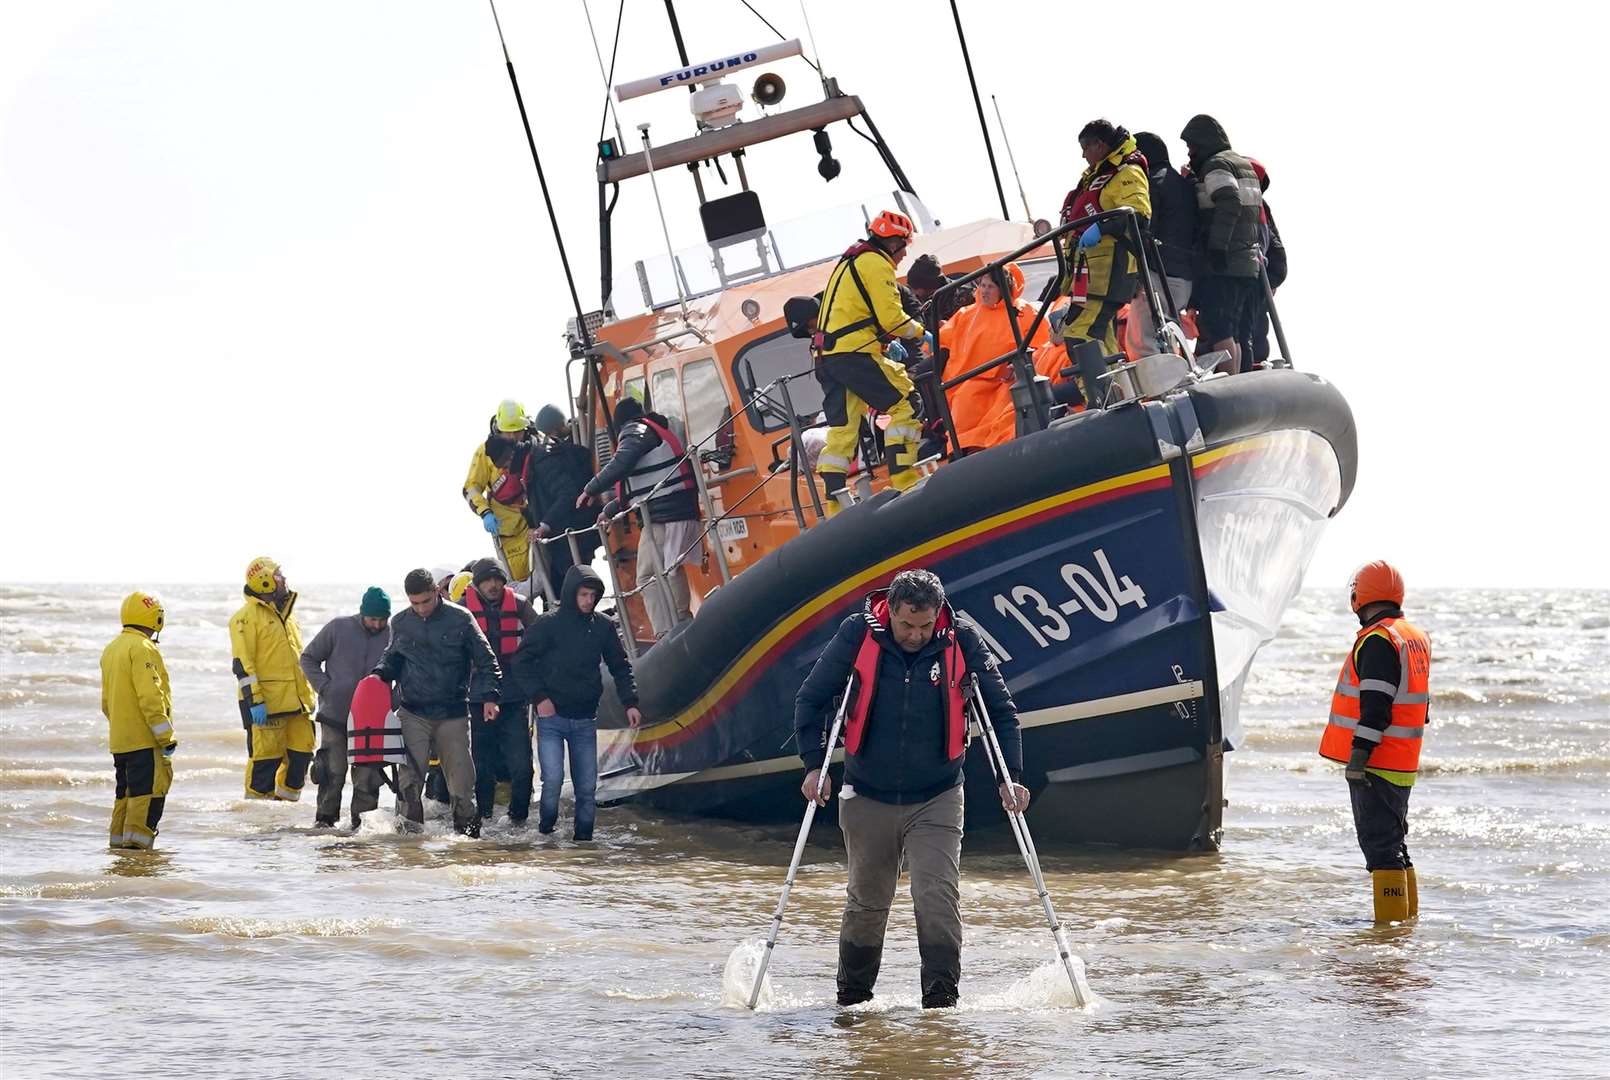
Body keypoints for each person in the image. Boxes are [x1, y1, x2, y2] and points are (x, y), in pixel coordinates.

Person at [793, 568, 1025, 1009]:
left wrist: (1010, 776)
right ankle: (853, 1003)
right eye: (907, 625)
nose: (916, 635)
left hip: (937, 795)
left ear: (938, 614)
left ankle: (941, 1009)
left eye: (925, 625)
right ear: (891, 612)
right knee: (867, 904)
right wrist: (812, 767)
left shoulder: (962, 638)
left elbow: (1002, 712)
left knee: (935, 896)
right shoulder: (857, 634)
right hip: (867, 792)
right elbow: (810, 699)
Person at [1318, 560, 1432, 924]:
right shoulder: (1412, 636)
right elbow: (1419, 705)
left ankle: (1389, 935)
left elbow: (1376, 708)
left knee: (1381, 850)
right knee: (1395, 844)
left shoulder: (1378, 640)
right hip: (1402, 761)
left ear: (1359, 596)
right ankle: (1405, 925)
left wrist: (1358, 757)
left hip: (1378, 763)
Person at [509, 566, 641, 840]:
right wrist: (540, 697)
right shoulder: (548, 624)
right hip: (551, 718)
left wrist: (630, 702)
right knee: (553, 781)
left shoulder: (603, 626)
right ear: (571, 593)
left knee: (586, 787)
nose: (589, 601)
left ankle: (584, 846)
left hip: (584, 718)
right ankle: (545, 834)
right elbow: (521, 662)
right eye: (583, 594)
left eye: (593, 595)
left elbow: (620, 666)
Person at [372, 567, 502, 837]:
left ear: (435, 592)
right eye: (414, 603)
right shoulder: (401, 623)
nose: (420, 608)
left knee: (462, 787)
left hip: (452, 714)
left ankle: (467, 845)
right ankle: (410, 849)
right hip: (413, 713)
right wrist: (377, 676)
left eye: (425, 601)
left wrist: (490, 696)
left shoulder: (461, 619)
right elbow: (392, 658)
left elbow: (487, 660)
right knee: (408, 785)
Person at [811, 210, 927, 511]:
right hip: (853, 352)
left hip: (827, 356)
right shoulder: (876, 263)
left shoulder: (850, 261)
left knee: (843, 428)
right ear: (893, 244)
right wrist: (921, 333)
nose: (903, 255)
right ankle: (904, 478)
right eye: (904, 247)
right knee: (906, 400)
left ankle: (835, 503)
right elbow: (891, 318)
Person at [577, 395, 699, 638]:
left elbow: (623, 461)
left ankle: (669, 631)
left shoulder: (636, 430)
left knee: (649, 574)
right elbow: (636, 486)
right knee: (669, 569)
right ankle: (680, 622)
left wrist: (591, 488)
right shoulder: (654, 431)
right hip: (674, 509)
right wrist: (610, 510)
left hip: (665, 515)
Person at [1056, 120, 1152, 360]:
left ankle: (1100, 396)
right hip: (1090, 273)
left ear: (1099, 145)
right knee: (1102, 336)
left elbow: (1138, 214)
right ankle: (1118, 391)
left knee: (1081, 336)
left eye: (1085, 147)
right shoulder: (1096, 176)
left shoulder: (1126, 172)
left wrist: (1101, 227)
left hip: (1111, 270)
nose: (1082, 154)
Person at [300, 586, 393, 828]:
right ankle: (324, 824)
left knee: (368, 779)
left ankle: (360, 829)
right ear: (363, 613)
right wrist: (324, 687)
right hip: (335, 715)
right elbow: (307, 658)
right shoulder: (338, 628)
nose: (377, 624)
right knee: (332, 773)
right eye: (373, 619)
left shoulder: (393, 635)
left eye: (383, 619)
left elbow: (406, 673)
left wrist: (394, 701)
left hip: (373, 721)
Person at [1180, 114, 1263, 374]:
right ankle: (1239, 380)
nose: (1190, 153)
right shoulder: (1241, 164)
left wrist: (1217, 247)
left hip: (1225, 262)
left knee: (1219, 327)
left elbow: (1228, 200)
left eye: (1191, 146)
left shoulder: (1216, 165)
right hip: (1247, 262)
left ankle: (1230, 382)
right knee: (1235, 329)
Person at [935, 261, 1049, 450]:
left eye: (991, 286)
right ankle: (967, 451)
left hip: (1007, 379)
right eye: (982, 285)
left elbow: (1041, 345)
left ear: (1003, 289)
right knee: (964, 402)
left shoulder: (1025, 312)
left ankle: (998, 447)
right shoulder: (966, 314)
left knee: (1007, 404)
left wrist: (1017, 365)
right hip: (970, 381)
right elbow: (942, 339)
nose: (984, 291)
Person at [231, 557, 317, 802]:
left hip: (298, 705)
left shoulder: (288, 616)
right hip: (266, 706)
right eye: (279, 574)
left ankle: (284, 821)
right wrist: (254, 701)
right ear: (266, 581)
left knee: (301, 759)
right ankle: (258, 821)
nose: (285, 578)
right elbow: (243, 665)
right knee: (264, 764)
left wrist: (309, 696)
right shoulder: (244, 618)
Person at [462, 557, 539, 825]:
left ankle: (518, 822)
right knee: (482, 767)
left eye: (498, 580)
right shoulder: (461, 611)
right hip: (477, 696)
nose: (493, 585)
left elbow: (542, 636)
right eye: (487, 580)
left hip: (513, 696)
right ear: (477, 583)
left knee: (522, 767)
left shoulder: (519, 605)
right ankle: (482, 821)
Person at [101, 591, 177, 849]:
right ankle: (138, 858)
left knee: (124, 797)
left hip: (120, 742)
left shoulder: (112, 649)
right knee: (147, 798)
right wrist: (166, 737)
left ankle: (118, 854)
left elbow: (106, 703)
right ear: (155, 618)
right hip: (144, 742)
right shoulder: (143, 648)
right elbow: (151, 697)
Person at [1125, 131, 1199, 359]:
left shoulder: (1152, 184)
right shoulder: (1184, 185)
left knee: (1142, 343)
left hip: (1157, 275)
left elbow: (1145, 228)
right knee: (1168, 337)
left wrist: (1134, 273)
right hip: (1184, 278)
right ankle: (1179, 383)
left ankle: (1164, 392)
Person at [525, 404, 601, 601]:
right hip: (583, 528)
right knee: (577, 581)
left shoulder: (551, 457)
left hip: (570, 530)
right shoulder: (575, 449)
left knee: (570, 585)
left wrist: (544, 524)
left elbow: (566, 493)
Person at [463, 399, 538, 583]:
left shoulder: (536, 445)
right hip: (506, 526)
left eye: (517, 432)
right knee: (518, 580)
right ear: (498, 429)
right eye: (508, 433)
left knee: (549, 574)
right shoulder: (486, 453)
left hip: (538, 520)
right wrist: (485, 512)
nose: (513, 438)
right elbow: (471, 487)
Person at [905, 253, 975, 325]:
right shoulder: (925, 298)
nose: (913, 292)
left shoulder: (963, 296)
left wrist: (948, 326)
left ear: (927, 286)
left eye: (915, 288)